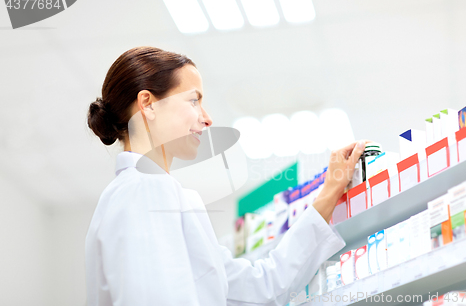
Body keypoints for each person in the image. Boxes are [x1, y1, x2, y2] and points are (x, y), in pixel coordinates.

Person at [85, 46, 367, 306]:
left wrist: (330, 192)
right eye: (193, 100)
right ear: (147, 104)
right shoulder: (146, 189)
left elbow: (259, 287)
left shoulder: (138, 193)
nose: (207, 118)